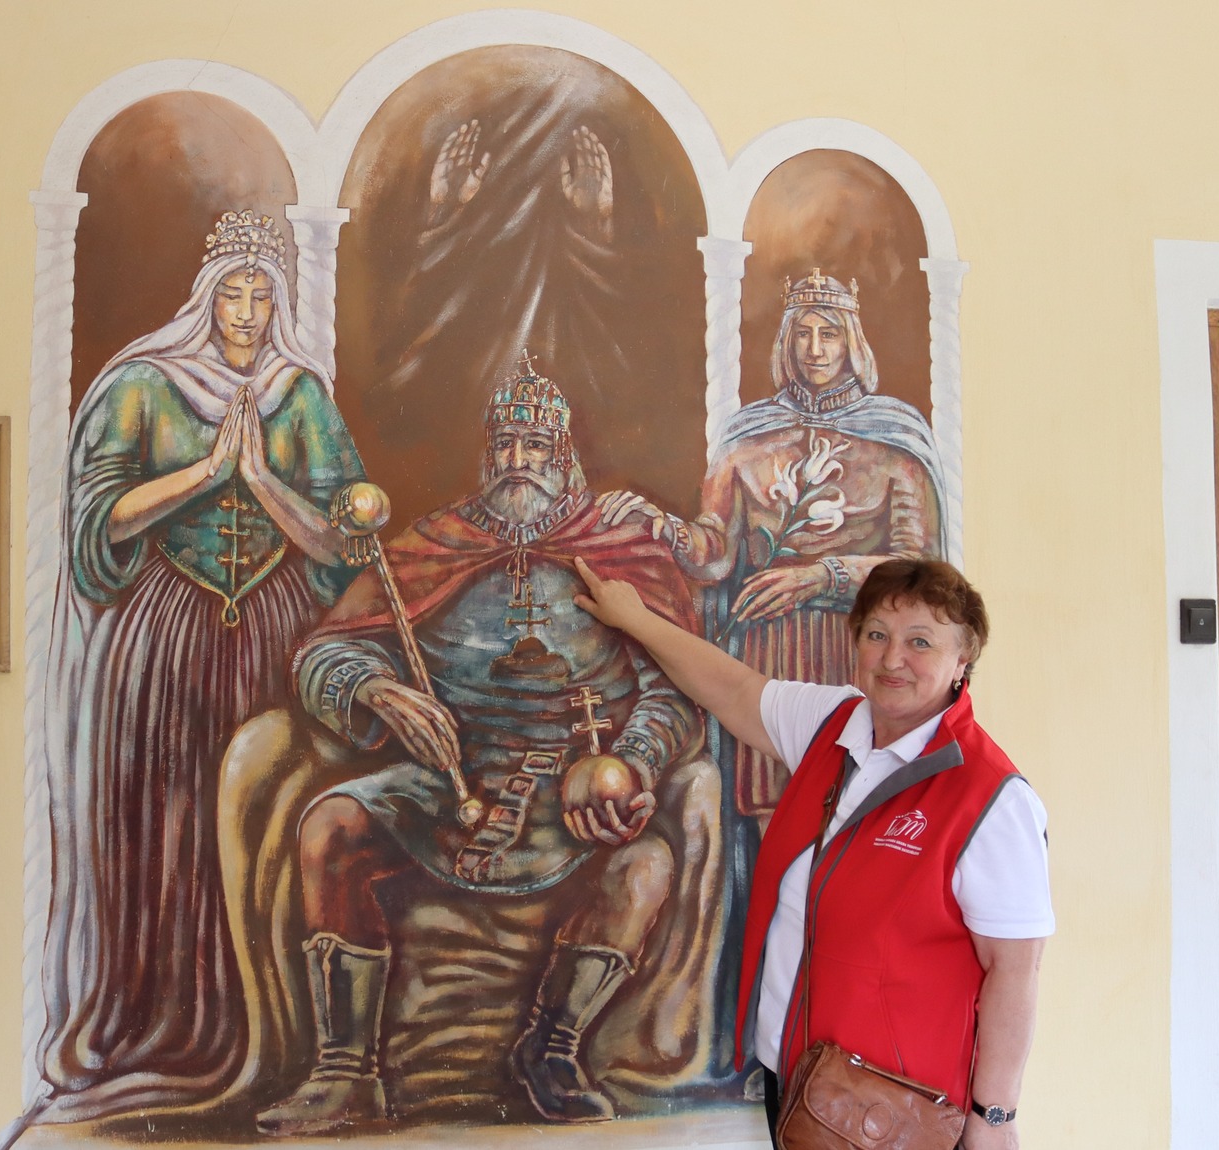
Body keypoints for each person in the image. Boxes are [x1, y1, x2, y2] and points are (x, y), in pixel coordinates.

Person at [256, 358, 701, 1136]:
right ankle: (344, 1073)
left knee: (645, 870)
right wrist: (377, 690)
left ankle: (552, 1051)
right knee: (332, 826)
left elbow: (674, 689)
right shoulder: (437, 542)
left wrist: (630, 764)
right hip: (447, 777)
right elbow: (325, 653)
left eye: (537, 447)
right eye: (506, 447)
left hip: (574, 790)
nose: (519, 462)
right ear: (489, 454)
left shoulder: (617, 547)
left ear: (563, 455)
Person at [8, 209, 368, 1138]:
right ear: (205, 299)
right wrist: (209, 473)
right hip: (166, 637)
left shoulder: (300, 396)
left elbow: (344, 545)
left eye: (262, 296)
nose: (246, 313)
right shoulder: (143, 385)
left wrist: (265, 484)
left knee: (262, 822)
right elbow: (97, 518)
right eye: (232, 294)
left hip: (275, 640)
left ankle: (267, 1039)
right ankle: (158, 1025)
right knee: (167, 820)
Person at [574, 556, 1051, 1150]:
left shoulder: (992, 799)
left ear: (963, 660)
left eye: (920, 642)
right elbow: (732, 688)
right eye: (876, 635)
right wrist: (635, 619)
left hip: (890, 1110)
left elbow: (1015, 970)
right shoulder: (835, 725)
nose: (892, 658)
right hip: (798, 1082)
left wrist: (994, 1117)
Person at [601, 269, 946, 817]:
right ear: (786, 341)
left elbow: (919, 571)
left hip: (854, 647)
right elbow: (716, 552)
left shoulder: (894, 440)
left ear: (852, 342)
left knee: (858, 801)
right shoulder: (749, 438)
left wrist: (820, 576)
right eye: (802, 333)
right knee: (771, 812)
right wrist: (664, 526)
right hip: (766, 652)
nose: (815, 349)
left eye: (828, 334)